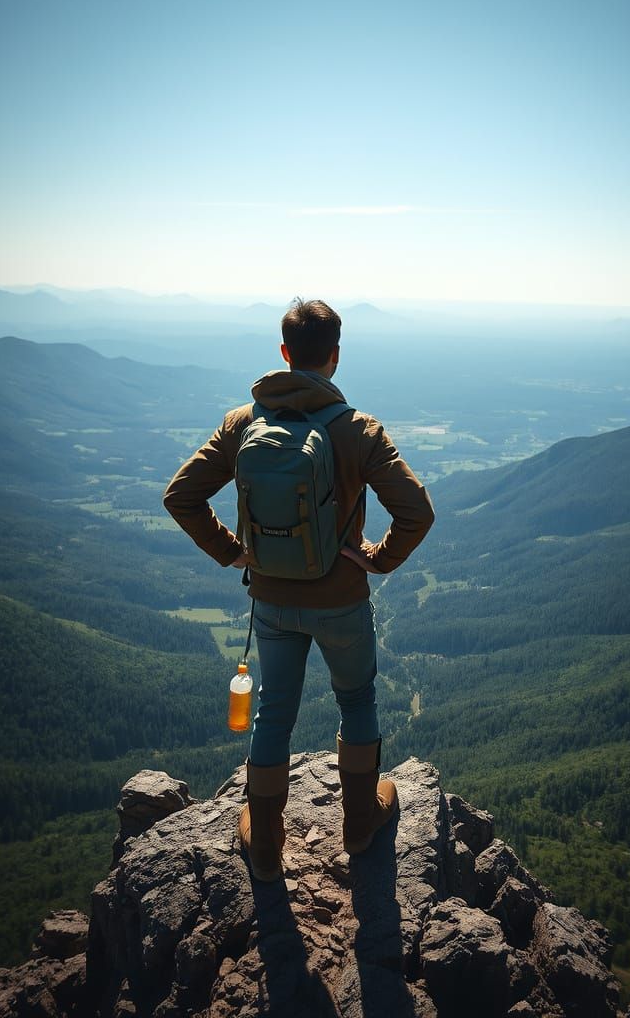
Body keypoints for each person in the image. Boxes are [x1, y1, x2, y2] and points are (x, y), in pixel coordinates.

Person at [163, 298, 434, 880]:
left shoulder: (243, 423)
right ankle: (359, 826)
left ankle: (265, 845)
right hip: (342, 601)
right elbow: (417, 512)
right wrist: (377, 559)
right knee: (357, 701)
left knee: (273, 712)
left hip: (273, 601)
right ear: (335, 356)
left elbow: (180, 496)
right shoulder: (359, 431)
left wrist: (233, 550)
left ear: (284, 353)